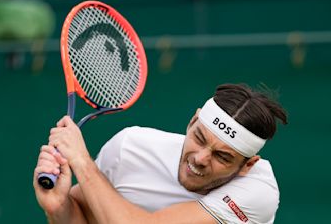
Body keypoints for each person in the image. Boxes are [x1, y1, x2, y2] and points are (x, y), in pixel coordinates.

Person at [33, 83, 288, 224]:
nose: (200, 158)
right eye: (199, 138)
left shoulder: (258, 191)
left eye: (222, 157)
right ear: (192, 121)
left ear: (248, 165)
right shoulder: (130, 147)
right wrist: (59, 207)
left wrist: (82, 163)